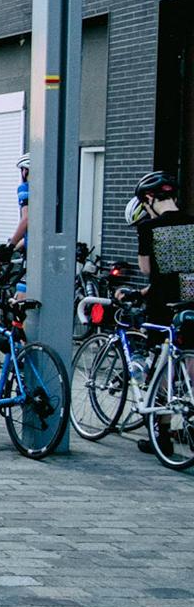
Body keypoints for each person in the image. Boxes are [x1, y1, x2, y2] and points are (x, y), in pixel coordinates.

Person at [128, 172, 191, 455]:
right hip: (190, 303)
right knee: (190, 363)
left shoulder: (150, 229)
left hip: (163, 307)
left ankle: (161, 436)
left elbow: (149, 272)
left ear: (150, 199)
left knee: (162, 368)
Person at [9, 154, 31, 253]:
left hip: (33, 250)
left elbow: (27, 219)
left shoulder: (25, 188)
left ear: (25, 171)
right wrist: (15, 248)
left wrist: (10, 246)